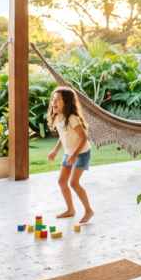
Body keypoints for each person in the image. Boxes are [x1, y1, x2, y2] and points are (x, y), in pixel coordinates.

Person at [47, 86, 95, 223]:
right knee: (62, 181)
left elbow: (84, 138)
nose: (53, 102)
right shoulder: (58, 117)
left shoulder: (72, 118)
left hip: (81, 153)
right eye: (53, 99)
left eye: (58, 99)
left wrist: (74, 155)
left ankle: (89, 211)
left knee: (74, 183)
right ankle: (70, 210)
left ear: (67, 102)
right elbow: (62, 136)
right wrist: (55, 150)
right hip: (69, 153)